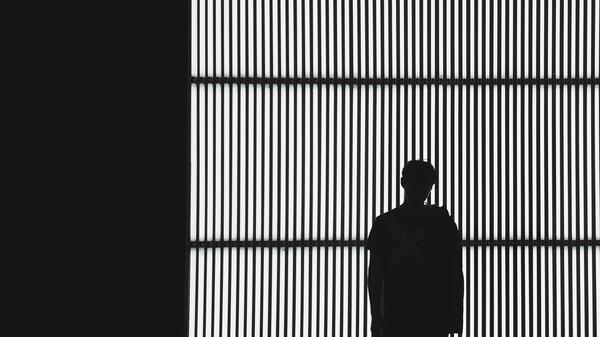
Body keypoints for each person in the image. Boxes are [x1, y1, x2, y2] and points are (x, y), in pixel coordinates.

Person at [367, 160, 464, 337]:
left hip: (397, 314)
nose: (421, 190)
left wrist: (376, 318)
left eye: (424, 185)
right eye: (418, 184)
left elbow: (375, 275)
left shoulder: (384, 223)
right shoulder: (442, 223)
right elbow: (454, 272)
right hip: (431, 316)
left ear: (402, 182)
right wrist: (454, 318)